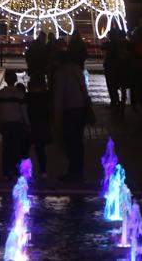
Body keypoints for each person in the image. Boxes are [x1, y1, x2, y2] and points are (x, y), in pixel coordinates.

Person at [52, 45, 91, 183]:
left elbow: (58, 97)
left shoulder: (60, 73)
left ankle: (73, 171)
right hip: (80, 109)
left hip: (69, 110)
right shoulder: (77, 70)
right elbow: (84, 89)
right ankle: (78, 171)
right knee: (78, 142)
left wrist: (57, 118)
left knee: (70, 142)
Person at [0, 68, 30, 179]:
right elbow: (23, 110)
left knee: (6, 149)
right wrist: (27, 124)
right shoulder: (19, 93)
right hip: (17, 123)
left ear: (5, 79)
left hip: (5, 123)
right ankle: (15, 171)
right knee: (17, 148)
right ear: (15, 80)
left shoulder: (1, 93)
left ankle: (6, 172)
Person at [24, 72, 52, 179]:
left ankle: (24, 170)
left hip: (30, 124)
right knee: (40, 149)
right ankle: (43, 171)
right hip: (41, 125)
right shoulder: (46, 97)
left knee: (25, 148)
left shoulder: (28, 96)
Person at [102, 30, 131, 115]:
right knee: (122, 88)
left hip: (112, 68)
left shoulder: (110, 44)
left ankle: (115, 103)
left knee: (112, 86)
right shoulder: (124, 44)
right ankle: (121, 105)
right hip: (122, 68)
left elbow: (103, 47)